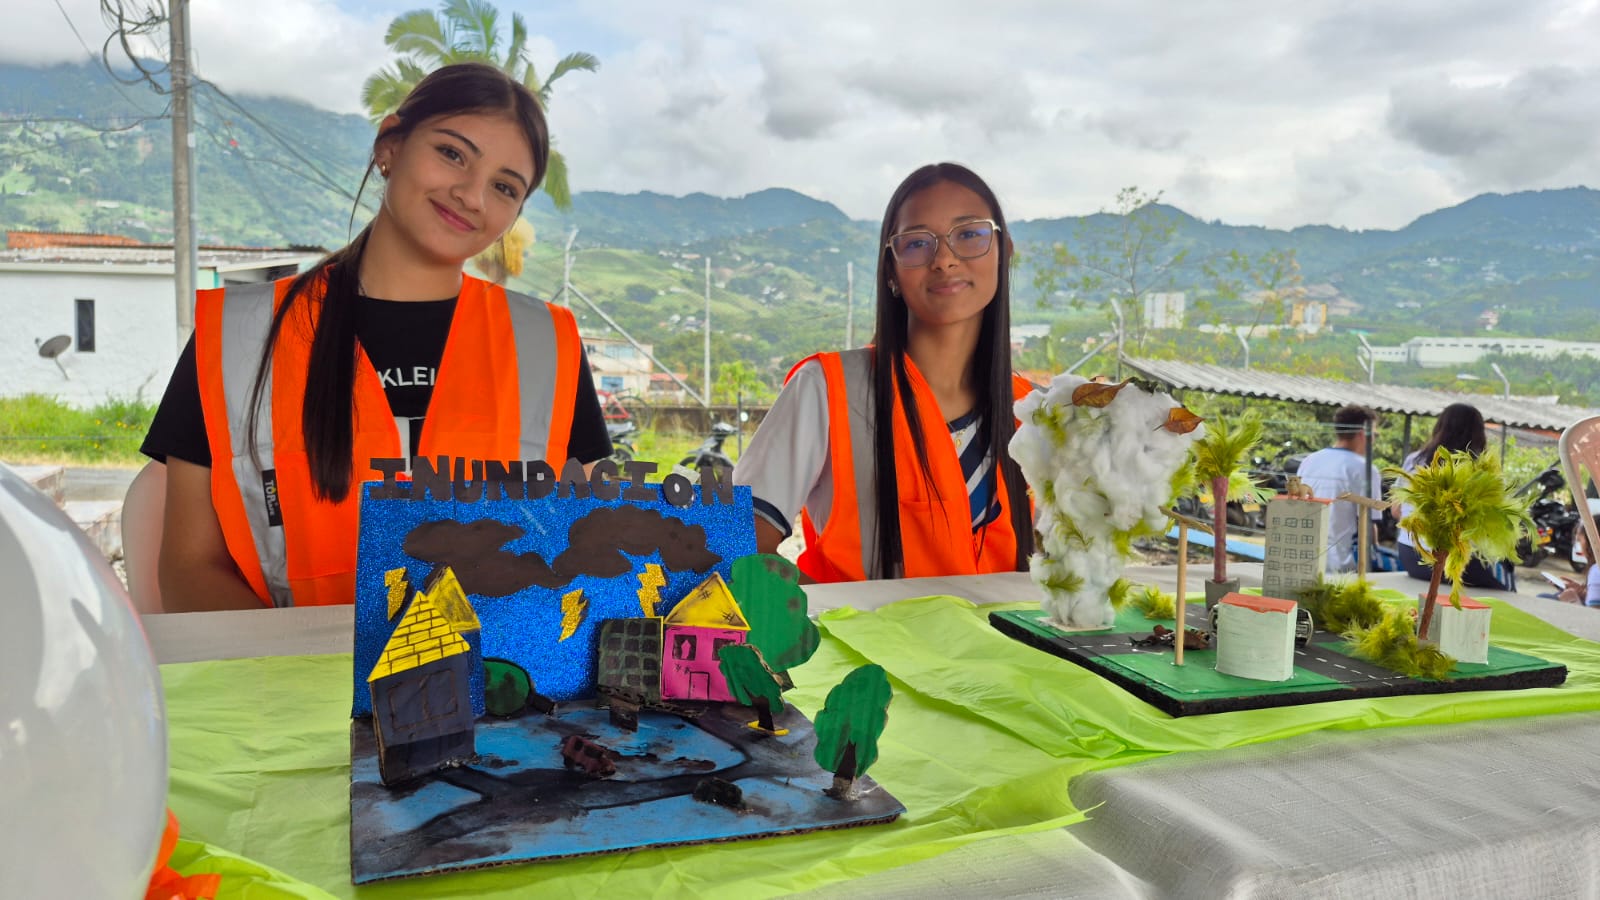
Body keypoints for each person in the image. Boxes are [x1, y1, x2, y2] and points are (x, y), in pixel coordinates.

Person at [141, 63, 610, 612]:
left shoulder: (546, 345)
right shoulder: (239, 339)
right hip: (292, 690)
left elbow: (588, 547)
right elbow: (189, 570)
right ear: (389, 145)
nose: (471, 195)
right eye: (452, 154)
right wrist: (330, 674)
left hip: (495, 690)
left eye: (504, 187)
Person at [734, 162, 1034, 582]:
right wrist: (821, 607)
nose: (944, 259)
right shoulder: (828, 390)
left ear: (1004, 253)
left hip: (1011, 649)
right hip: (860, 649)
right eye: (916, 243)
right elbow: (735, 548)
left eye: (969, 234)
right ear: (891, 270)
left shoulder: (1036, 412)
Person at [1391, 403, 1514, 591]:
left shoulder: (1414, 460)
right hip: (1458, 563)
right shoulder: (1483, 471)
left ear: (1439, 427)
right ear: (1479, 433)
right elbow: (1494, 526)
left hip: (1411, 556)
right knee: (1505, 576)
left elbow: (1396, 511)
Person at [1296, 404, 1383, 574]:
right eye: (1374, 433)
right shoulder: (1364, 469)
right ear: (1362, 434)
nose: (1374, 439)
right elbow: (1368, 524)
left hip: (1305, 558)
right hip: (1344, 567)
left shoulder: (1309, 461)